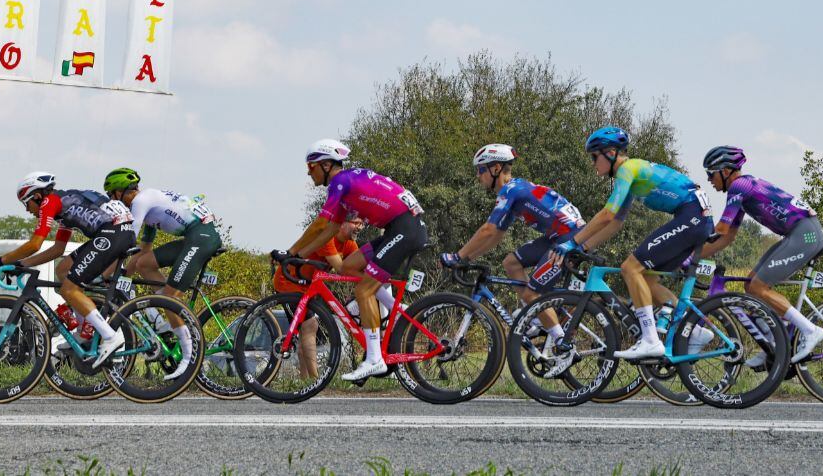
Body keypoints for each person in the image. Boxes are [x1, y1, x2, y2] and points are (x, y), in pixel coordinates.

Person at [551, 126, 714, 366]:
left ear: (610, 153)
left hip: (692, 216)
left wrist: (572, 242)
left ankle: (650, 340)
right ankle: (696, 331)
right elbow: (616, 222)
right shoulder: (632, 173)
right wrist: (583, 249)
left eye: (594, 157)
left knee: (630, 268)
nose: (593, 163)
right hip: (696, 218)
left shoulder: (627, 170)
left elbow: (607, 214)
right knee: (646, 279)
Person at [280, 139, 428, 382]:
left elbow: (320, 224)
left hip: (404, 230)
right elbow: (330, 229)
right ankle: (397, 308)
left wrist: (292, 251)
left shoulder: (339, 182)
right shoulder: (347, 186)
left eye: (311, 166)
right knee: (348, 266)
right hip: (399, 228)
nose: (308, 173)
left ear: (326, 165)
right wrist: (298, 257)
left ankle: (374, 359)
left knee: (363, 290)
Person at [0, 171, 134, 367]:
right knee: (62, 270)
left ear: (36, 195)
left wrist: (0, 260)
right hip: (116, 232)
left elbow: (35, 244)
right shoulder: (65, 207)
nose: (27, 210)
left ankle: (109, 336)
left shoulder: (49, 202)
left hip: (113, 233)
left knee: (69, 289)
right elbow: (57, 250)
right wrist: (20, 264)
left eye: (26, 203)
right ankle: (83, 333)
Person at [439, 143, 585, 351]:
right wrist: (467, 259)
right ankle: (536, 315)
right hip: (558, 237)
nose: (478, 176)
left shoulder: (510, 190)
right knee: (511, 262)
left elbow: (488, 230)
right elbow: (496, 235)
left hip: (569, 239)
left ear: (496, 168)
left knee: (532, 293)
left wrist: (457, 256)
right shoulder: (516, 189)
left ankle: (561, 342)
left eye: (480, 170)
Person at [698, 145, 823, 364]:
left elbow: (720, 229)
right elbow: (727, 237)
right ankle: (775, 340)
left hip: (805, 234)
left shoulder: (739, 186)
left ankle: (811, 330)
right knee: (751, 285)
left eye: (711, 174)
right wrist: (695, 257)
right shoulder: (742, 190)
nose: (709, 180)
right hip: (796, 234)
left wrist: (686, 248)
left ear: (726, 171)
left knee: (759, 286)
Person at [103, 167, 223, 381]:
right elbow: (142, 252)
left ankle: (189, 358)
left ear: (120, 192)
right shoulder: (148, 205)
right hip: (195, 236)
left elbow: (126, 242)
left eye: (112, 196)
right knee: (145, 264)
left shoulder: (140, 202)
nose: (113, 202)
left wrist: (106, 272)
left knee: (169, 299)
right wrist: (124, 276)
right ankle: (174, 315)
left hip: (201, 236)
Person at [273, 214, 365, 379]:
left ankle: (305, 380)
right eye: (356, 223)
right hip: (289, 282)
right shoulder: (327, 238)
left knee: (306, 330)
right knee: (310, 325)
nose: (360, 227)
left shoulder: (349, 243)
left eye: (362, 224)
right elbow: (341, 268)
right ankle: (315, 379)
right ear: (342, 223)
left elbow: (359, 266)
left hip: (310, 285)